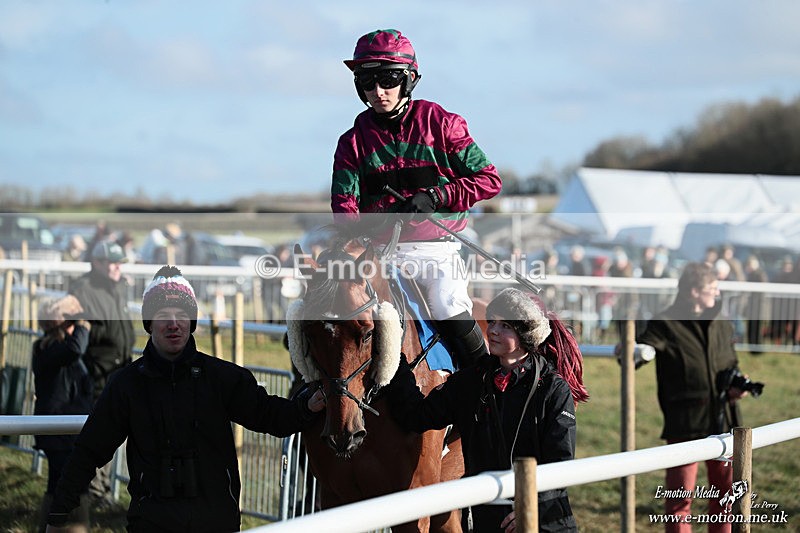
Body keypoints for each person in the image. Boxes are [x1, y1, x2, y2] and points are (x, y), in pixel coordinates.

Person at [46, 266, 325, 532]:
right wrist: (59, 512)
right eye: (163, 314)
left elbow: (269, 415)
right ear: (149, 323)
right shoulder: (126, 385)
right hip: (151, 526)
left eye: (182, 313)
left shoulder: (222, 378)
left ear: (191, 322)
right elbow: (89, 450)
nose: (173, 323)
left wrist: (305, 406)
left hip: (217, 524)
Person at [331, 28, 502, 369]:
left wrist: (437, 196)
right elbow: (343, 209)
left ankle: (485, 387)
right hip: (378, 251)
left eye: (388, 80)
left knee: (446, 305)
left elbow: (489, 181)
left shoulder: (444, 125)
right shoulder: (352, 143)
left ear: (409, 80)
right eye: (367, 82)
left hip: (435, 249)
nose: (378, 91)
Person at [388, 288, 589, 532]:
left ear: (526, 334)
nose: (492, 329)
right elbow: (416, 416)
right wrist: (394, 361)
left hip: (544, 522)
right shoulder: (470, 382)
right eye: (492, 321)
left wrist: (532, 507)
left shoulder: (553, 389)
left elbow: (560, 463)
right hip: (486, 520)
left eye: (505, 326)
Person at [636, 262, 750, 533]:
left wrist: (738, 384)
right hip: (684, 422)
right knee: (679, 496)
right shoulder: (664, 323)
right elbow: (641, 350)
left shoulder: (721, 321)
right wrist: (629, 349)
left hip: (723, 419)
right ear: (693, 292)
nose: (717, 294)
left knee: (725, 496)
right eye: (712, 288)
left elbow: (730, 361)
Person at [68, 240, 136, 506]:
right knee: (99, 435)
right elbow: (79, 331)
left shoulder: (118, 286)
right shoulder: (83, 289)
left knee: (115, 433)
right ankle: (92, 493)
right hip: (97, 373)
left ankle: (101, 490)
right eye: (113, 262)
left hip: (119, 370)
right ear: (97, 263)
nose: (118, 267)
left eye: (120, 262)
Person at [33, 295, 93, 533]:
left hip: (64, 431)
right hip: (57, 431)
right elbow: (76, 348)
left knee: (59, 482)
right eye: (72, 321)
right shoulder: (48, 349)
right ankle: (73, 528)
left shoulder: (56, 349)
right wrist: (82, 326)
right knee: (70, 484)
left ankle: (53, 528)